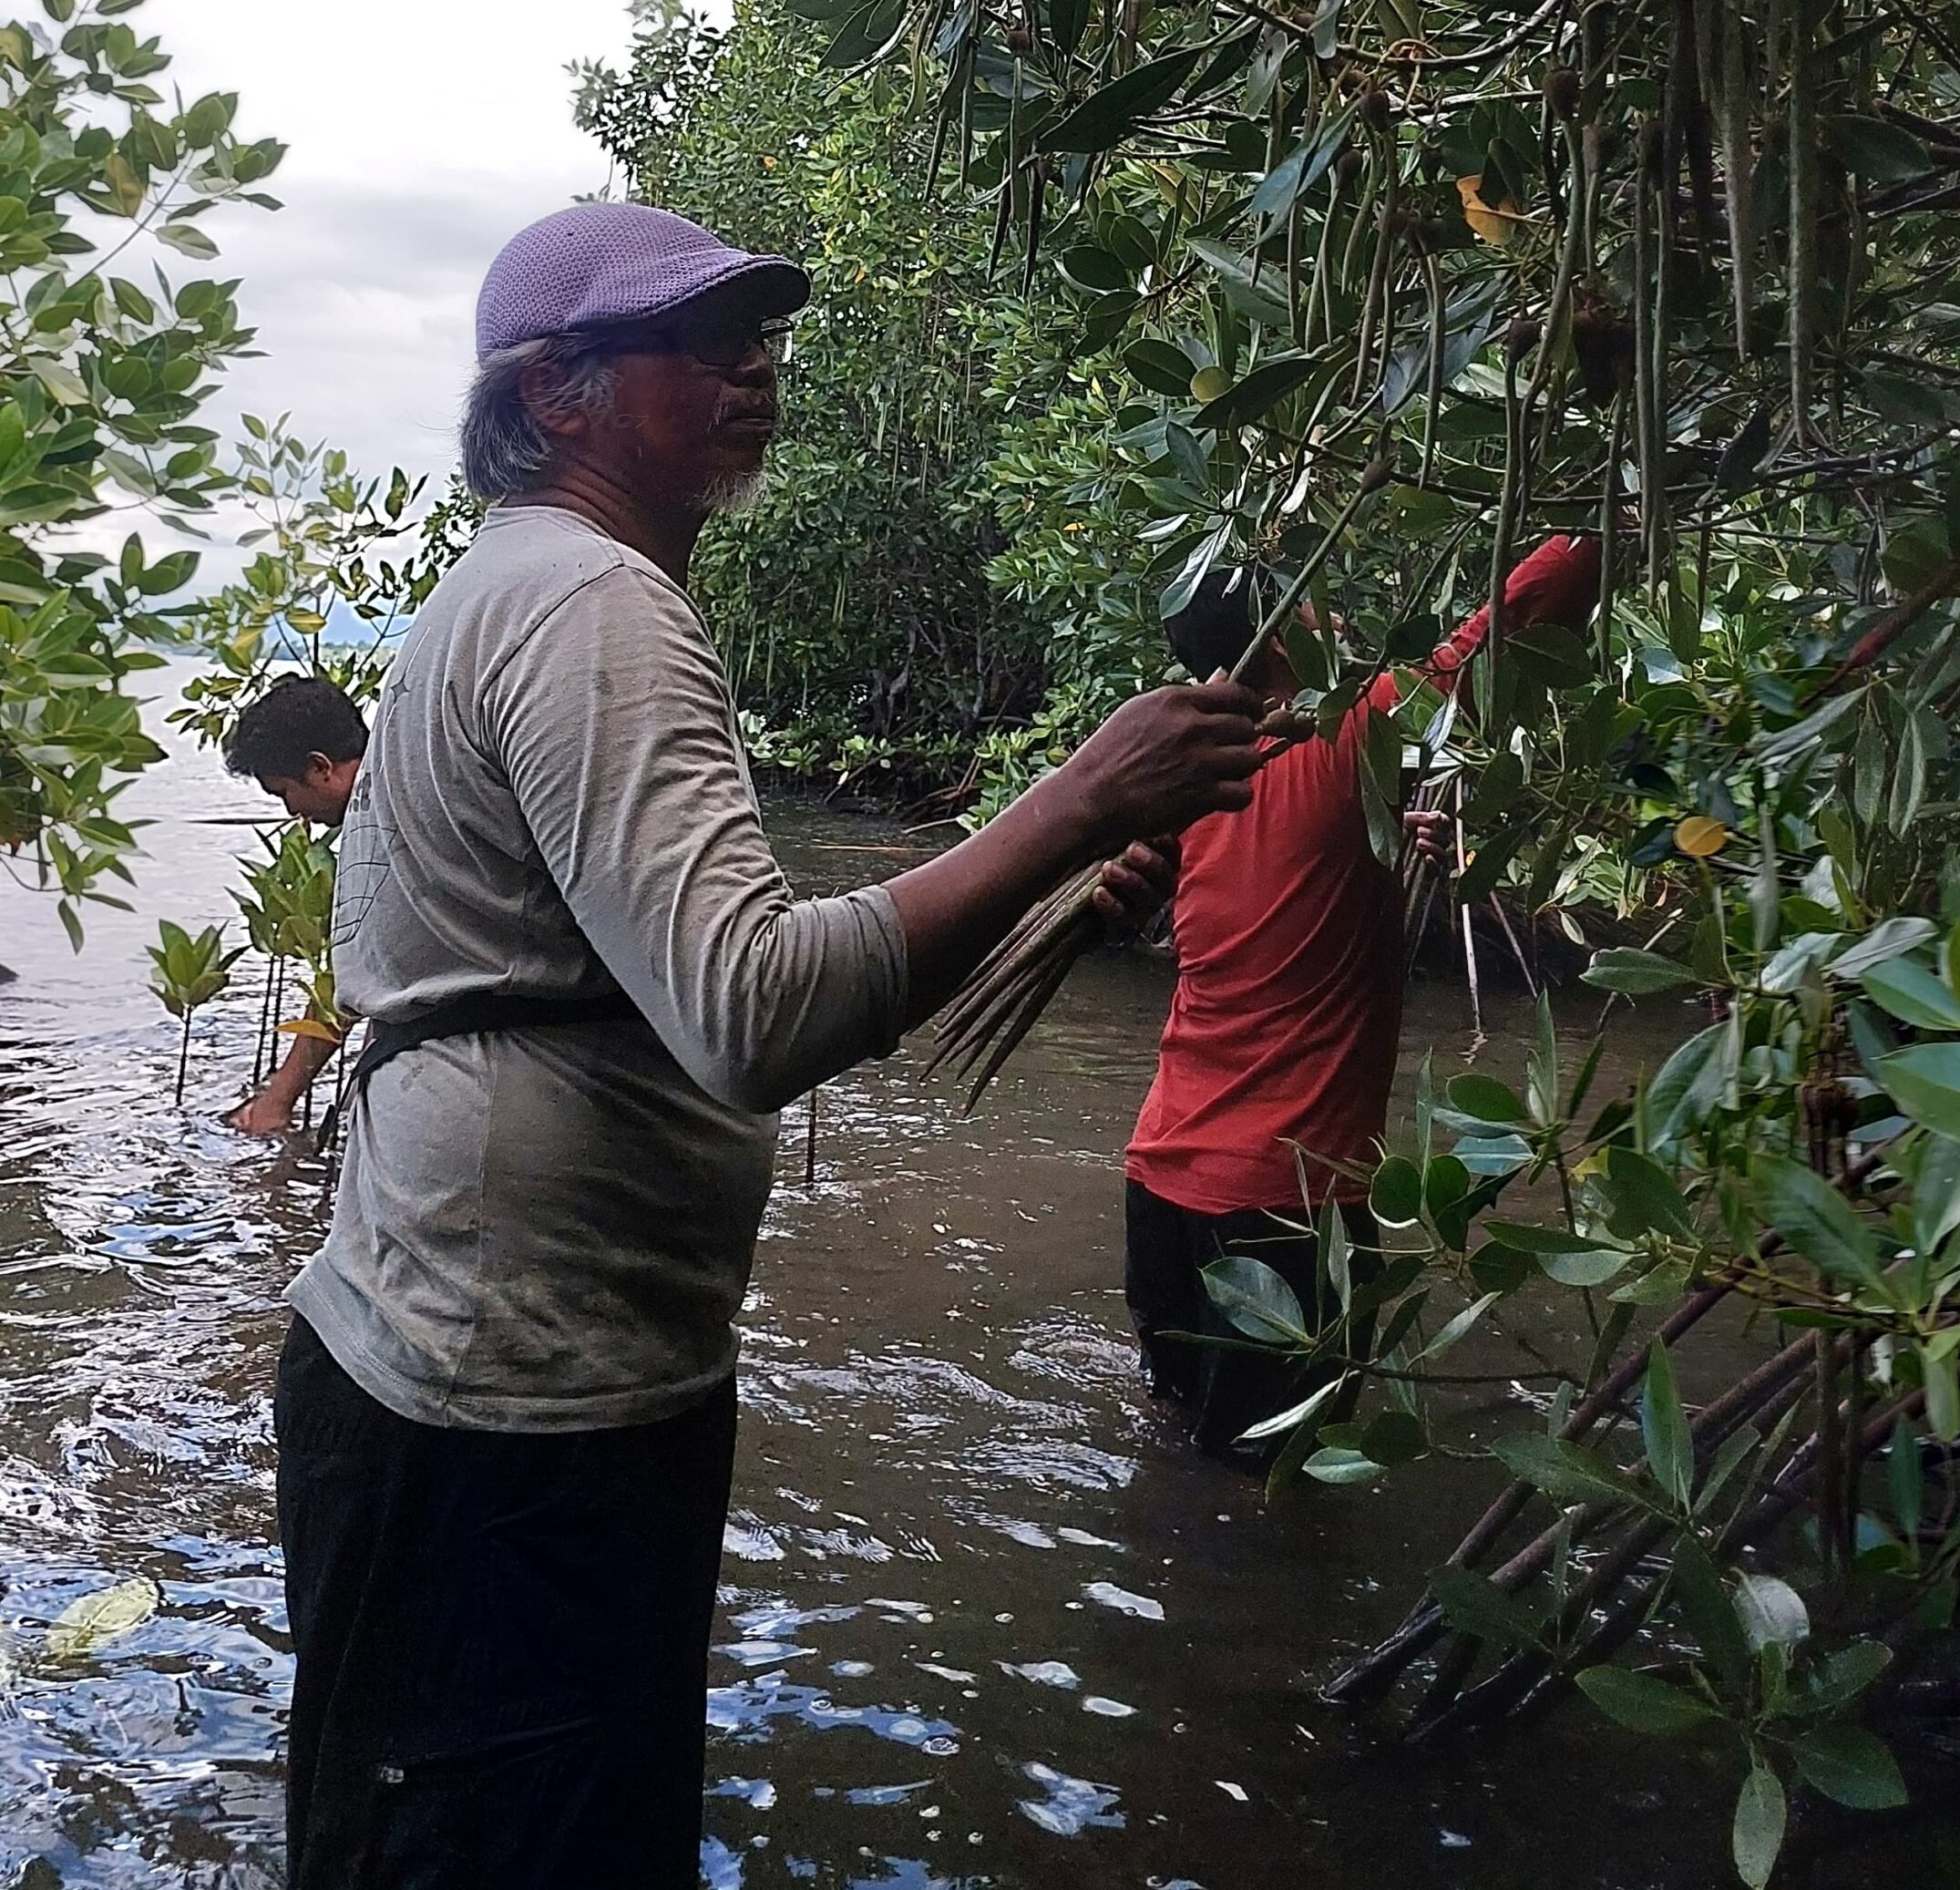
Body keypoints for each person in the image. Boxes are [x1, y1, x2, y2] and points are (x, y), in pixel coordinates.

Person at [271, 200, 1265, 1890]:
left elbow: (676, 978)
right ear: (557, 391)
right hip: (512, 1408)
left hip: (465, 1379)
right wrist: (1073, 799)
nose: (754, 368)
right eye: (700, 338)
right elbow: (748, 1010)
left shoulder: (507, 592)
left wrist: (1059, 876)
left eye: (762, 336)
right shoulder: (592, 598)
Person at [1123, 533, 1602, 1461]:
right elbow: (1508, 628)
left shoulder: (1188, 780)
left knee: (1180, 1452)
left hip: (1160, 1182)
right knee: (1266, 1496)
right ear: (1276, 638)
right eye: (1307, 602)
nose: (1330, 615)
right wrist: (1605, 505)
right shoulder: (1351, 733)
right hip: (1280, 1201)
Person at [220, 675, 366, 1134]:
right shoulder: (418, 784)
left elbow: (346, 983)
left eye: (285, 792)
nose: (291, 812)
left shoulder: (382, 831)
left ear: (320, 767)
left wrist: (274, 1105)